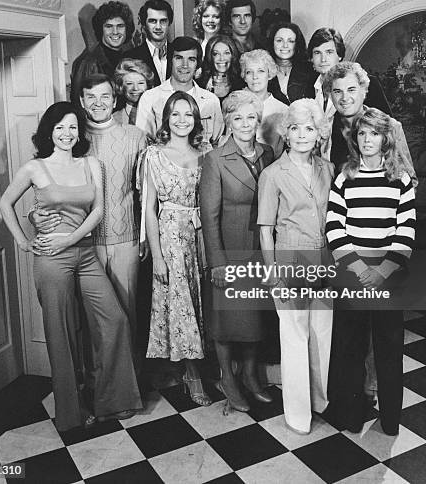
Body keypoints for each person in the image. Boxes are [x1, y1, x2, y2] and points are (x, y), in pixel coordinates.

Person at [0, 102, 141, 431]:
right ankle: (71, 413)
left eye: (73, 127)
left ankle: (112, 400)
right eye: (60, 127)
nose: (67, 133)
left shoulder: (90, 163)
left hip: (86, 252)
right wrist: (22, 240)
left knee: (115, 319)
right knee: (61, 332)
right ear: (49, 131)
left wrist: (71, 238)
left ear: (80, 132)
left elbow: (98, 211)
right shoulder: (35, 168)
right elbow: (5, 202)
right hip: (51, 259)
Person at [32, 75, 146, 361]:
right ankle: (95, 383)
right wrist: (34, 216)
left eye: (105, 96)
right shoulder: (72, 139)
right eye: (91, 97)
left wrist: (144, 237)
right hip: (82, 243)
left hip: (126, 240)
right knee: (86, 318)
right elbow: (48, 187)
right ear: (81, 102)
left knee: (125, 315)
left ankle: (126, 387)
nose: (99, 103)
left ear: (115, 99)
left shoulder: (136, 136)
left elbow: (148, 194)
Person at [325, 107, 416, 435]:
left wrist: (383, 271)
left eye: (374, 134)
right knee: (350, 346)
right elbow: (334, 226)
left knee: (389, 349)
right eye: (361, 134)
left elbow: (405, 229)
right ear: (354, 138)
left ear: (385, 138)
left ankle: (390, 419)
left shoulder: (400, 178)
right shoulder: (345, 175)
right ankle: (350, 415)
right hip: (352, 277)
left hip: (387, 280)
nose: (367, 140)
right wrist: (359, 268)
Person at [258, 99, 334, 434]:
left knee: (322, 336)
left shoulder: (328, 168)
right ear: (285, 134)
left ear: (319, 133)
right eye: (295, 128)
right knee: (294, 336)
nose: (302, 135)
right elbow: (265, 228)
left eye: (309, 128)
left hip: (325, 261)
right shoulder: (272, 174)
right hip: (290, 262)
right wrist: (272, 271)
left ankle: (320, 402)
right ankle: (298, 414)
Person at [200, 90, 274, 412]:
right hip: (229, 249)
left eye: (251, 117)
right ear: (228, 121)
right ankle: (227, 380)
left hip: (261, 248)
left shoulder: (268, 153)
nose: (245, 124)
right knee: (226, 319)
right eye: (238, 117)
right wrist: (216, 262)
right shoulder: (215, 158)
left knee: (254, 317)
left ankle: (250, 375)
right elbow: (208, 214)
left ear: (258, 120)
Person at [140, 91, 211, 405]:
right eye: (176, 114)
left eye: (188, 114)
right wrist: (157, 256)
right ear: (166, 118)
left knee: (200, 303)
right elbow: (148, 209)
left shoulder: (205, 152)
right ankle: (192, 375)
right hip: (169, 236)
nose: (182, 121)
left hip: (199, 235)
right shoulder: (153, 155)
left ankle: (199, 369)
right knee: (180, 306)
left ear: (196, 120)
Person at [322, 61, 417, 185]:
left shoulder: (389, 126)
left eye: (351, 90)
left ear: (363, 91)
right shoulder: (323, 129)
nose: (344, 98)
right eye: (337, 91)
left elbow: (410, 182)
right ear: (330, 95)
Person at [303, 28, 391, 154]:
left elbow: (387, 127)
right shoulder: (307, 87)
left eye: (329, 52)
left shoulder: (366, 83)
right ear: (311, 58)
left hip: (353, 157)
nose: (323, 59)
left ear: (339, 55)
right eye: (317, 53)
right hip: (318, 162)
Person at [136, 36, 224, 146]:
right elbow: (143, 143)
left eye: (191, 59)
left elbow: (217, 144)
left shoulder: (211, 100)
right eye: (179, 58)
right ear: (170, 61)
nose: (185, 65)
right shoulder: (150, 98)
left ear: (198, 64)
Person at [70, 1, 135, 108]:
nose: (115, 32)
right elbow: (79, 106)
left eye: (120, 26)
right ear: (101, 29)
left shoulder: (128, 58)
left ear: (127, 29)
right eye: (109, 26)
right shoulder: (88, 62)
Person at [240, 49, 286, 156]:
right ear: (245, 77)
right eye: (249, 72)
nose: (255, 77)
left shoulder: (283, 109)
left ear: (269, 74)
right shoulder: (235, 105)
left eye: (260, 71)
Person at [128, 0, 174, 84]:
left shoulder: (178, 53)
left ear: (169, 23)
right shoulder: (131, 57)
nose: (158, 27)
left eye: (163, 21)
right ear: (144, 24)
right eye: (152, 21)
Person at [267, 22, 310, 105]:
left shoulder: (309, 70)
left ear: (297, 44)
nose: (285, 45)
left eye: (290, 41)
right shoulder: (263, 71)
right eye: (279, 40)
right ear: (272, 43)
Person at [196, 34, 244, 104]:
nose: (222, 58)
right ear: (210, 57)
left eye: (226, 53)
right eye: (216, 54)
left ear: (233, 56)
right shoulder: (199, 86)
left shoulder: (241, 85)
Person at [112, 58, 154, 125]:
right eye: (129, 83)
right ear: (121, 87)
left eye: (141, 83)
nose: (136, 88)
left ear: (148, 86)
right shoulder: (113, 119)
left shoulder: (159, 113)